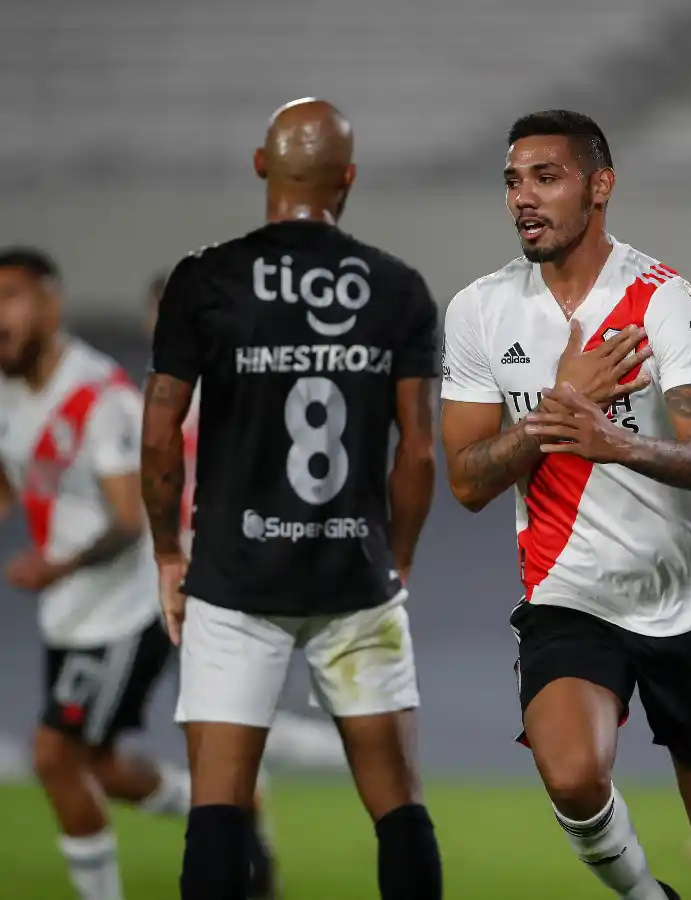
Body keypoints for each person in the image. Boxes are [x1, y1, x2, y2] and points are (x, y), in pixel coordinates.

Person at [440, 109, 691, 900]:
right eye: (513, 181)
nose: (524, 198)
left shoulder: (661, 298)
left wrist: (615, 441)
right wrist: (558, 407)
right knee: (570, 776)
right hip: (571, 592)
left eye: (546, 177)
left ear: (600, 187)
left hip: (686, 596)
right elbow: (466, 481)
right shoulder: (479, 312)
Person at [142, 98, 442, 900]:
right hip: (356, 576)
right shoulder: (398, 288)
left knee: (219, 811)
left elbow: (161, 436)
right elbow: (417, 449)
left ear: (259, 166)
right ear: (348, 179)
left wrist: (169, 552)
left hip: (234, 581)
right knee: (400, 809)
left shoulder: (204, 280)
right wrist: (399, 558)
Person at [0, 247, 194, 900]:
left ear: (51, 304)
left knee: (55, 755)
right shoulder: (8, 390)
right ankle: (220, 813)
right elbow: (12, 482)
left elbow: (127, 519)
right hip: (69, 613)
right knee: (103, 768)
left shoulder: (98, 396)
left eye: (11, 296)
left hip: (123, 609)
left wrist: (59, 564)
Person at [144, 275, 347, 773]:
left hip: (229, 565)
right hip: (182, 566)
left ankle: (350, 750)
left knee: (219, 718)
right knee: (210, 717)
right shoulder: (168, 393)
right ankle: (251, 837)